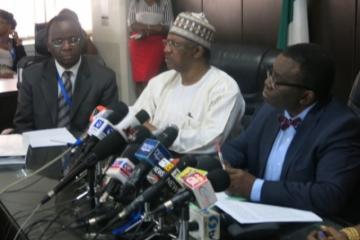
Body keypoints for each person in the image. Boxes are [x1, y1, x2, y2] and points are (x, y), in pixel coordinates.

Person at [221, 43, 360, 223]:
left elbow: (329, 195)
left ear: (305, 97)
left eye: (276, 81)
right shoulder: (271, 108)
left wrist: (254, 187)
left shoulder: (341, 126)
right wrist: (224, 163)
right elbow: (240, 146)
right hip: (258, 214)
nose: (267, 83)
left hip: (311, 224)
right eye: (270, 73)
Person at [131, 12, 245, 154]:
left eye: (174, 44)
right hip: (152, 160)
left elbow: (211, 141)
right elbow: (135, 117)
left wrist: (156, 133)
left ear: (197, 51)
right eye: (166, 42)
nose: (166, 50)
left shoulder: (224, 88)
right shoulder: (161, 81)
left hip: (198, 168)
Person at [13, 14, 118, 134]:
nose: (67, 47)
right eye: (58, 42)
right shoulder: (32, 76)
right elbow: (23, 125)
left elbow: (107, 125)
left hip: (85, 148)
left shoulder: (104, 78)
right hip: (42, 148)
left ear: (82, 42)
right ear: (48, 46)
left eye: (73, 40)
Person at [127, 0, 174, 95]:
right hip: (138, 43)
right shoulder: (135, 2)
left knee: (152, 79)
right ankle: (141, 105)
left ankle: (152, 106)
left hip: (156, 44)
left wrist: (146, 30)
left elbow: (168, 26)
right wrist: (154, 27)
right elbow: (131, 24)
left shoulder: (165, 2)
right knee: (139, 80)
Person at [0, 9, 26, 78]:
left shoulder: (15, 43)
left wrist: (18, 43)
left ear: (9, 26)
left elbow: (24, 62)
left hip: (12, 77)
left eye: (1, 22)